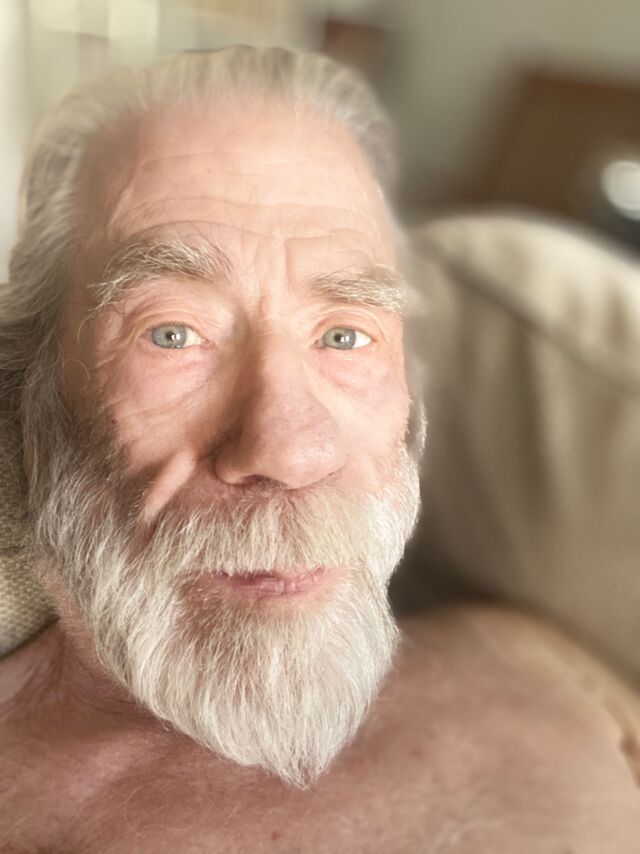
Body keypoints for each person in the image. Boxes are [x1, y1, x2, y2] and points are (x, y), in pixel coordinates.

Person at [0, 46, 638, 852]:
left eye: (344, 334)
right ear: (33, 385)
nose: (290, 452)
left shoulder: (537, 664)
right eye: (173, 333)